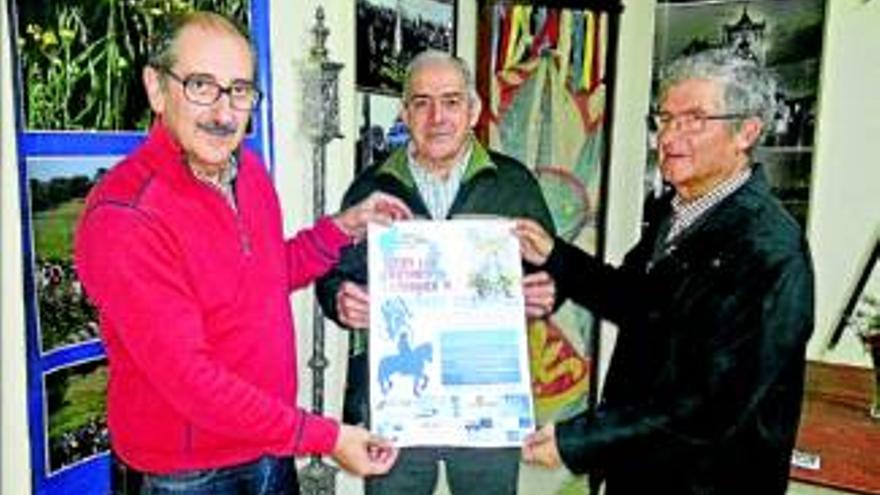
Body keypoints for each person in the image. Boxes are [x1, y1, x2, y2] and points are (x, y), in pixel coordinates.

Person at [74, 11, 409, 494]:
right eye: (201, 85)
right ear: (155, 88)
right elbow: (191, 379)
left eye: (239, 90)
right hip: (189, 477)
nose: (225, 112)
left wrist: (343, 228)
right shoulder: (125, 214)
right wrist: (326, 436)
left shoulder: (247, 170)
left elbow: (265, 274)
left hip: (267, 447)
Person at [516, 48, 815, 494]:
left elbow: (712, 403)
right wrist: (555, 254)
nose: (670, 137)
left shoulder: (768, 248)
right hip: (643, 469)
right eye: (665, 118)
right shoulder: (681, 212)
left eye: (695, 119)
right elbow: (637, 300)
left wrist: (579, 440)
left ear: (746, 132)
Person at [315, 49, 557, 495]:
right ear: (405, 112)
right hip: (399, 409)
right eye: (422, 102)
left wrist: (546, 292)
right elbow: (331, 274)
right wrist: (340, 298)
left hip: (484, 396)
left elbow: (551, 268)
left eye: (451, 101)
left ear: (473, 109)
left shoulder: (513, 184)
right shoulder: (371, 186)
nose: (437, 117)